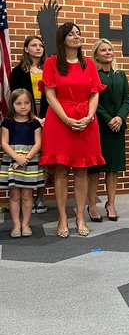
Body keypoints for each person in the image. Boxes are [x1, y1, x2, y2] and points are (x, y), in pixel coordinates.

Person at [39, 22, 105, 238]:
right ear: (63, 39)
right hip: (60, 120)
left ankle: (80, 217)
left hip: (86, 120)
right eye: (71, 34)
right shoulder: (51, 63)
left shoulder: (89, 64)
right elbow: (50, 95)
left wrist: (90, 115)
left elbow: (95, 92)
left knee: (82, 170)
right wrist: (66, 119)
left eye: (78, 33)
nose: (77, 36)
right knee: (60, 170)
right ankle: (62, 218)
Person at [87, 39, 129, 221]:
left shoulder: (120, 74)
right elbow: (91, 101)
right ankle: (91, 205)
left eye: (110, 49)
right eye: (103, 50)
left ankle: (111, 204)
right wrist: (107, 119)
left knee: (113, 168)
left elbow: (127, 99)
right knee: (95, 169)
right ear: (96, 54)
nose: (108, 52)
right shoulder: (92, 74)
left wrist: (120, 117)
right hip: (98, 127)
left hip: (117, 128)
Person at [10, 35, 49, 214]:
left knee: (45, 160)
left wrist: (47, 117)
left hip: (49, 118)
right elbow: (17, 98)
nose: (38, 48)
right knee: (28, 157)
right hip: (27, 120)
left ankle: (40, 196)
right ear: (26, 49)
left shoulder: (49, 69)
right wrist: (34, 117)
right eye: (33, 45)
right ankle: (27, 197)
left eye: (40, 45)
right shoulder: (18, 71)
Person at [0, 89, 44, 237]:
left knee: (27, 194)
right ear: (12, 105)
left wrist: (26, 158)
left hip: (30, 162)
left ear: (31, 104)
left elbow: (38, 143)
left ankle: (25, 224)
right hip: (12, 160)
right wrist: (17, 158)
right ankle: (16, 226)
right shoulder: (7, 122)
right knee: (14, 195)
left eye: (26, 102)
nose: (23, 106)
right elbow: (4, 143)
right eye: (19, 103)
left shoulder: (34, 123)